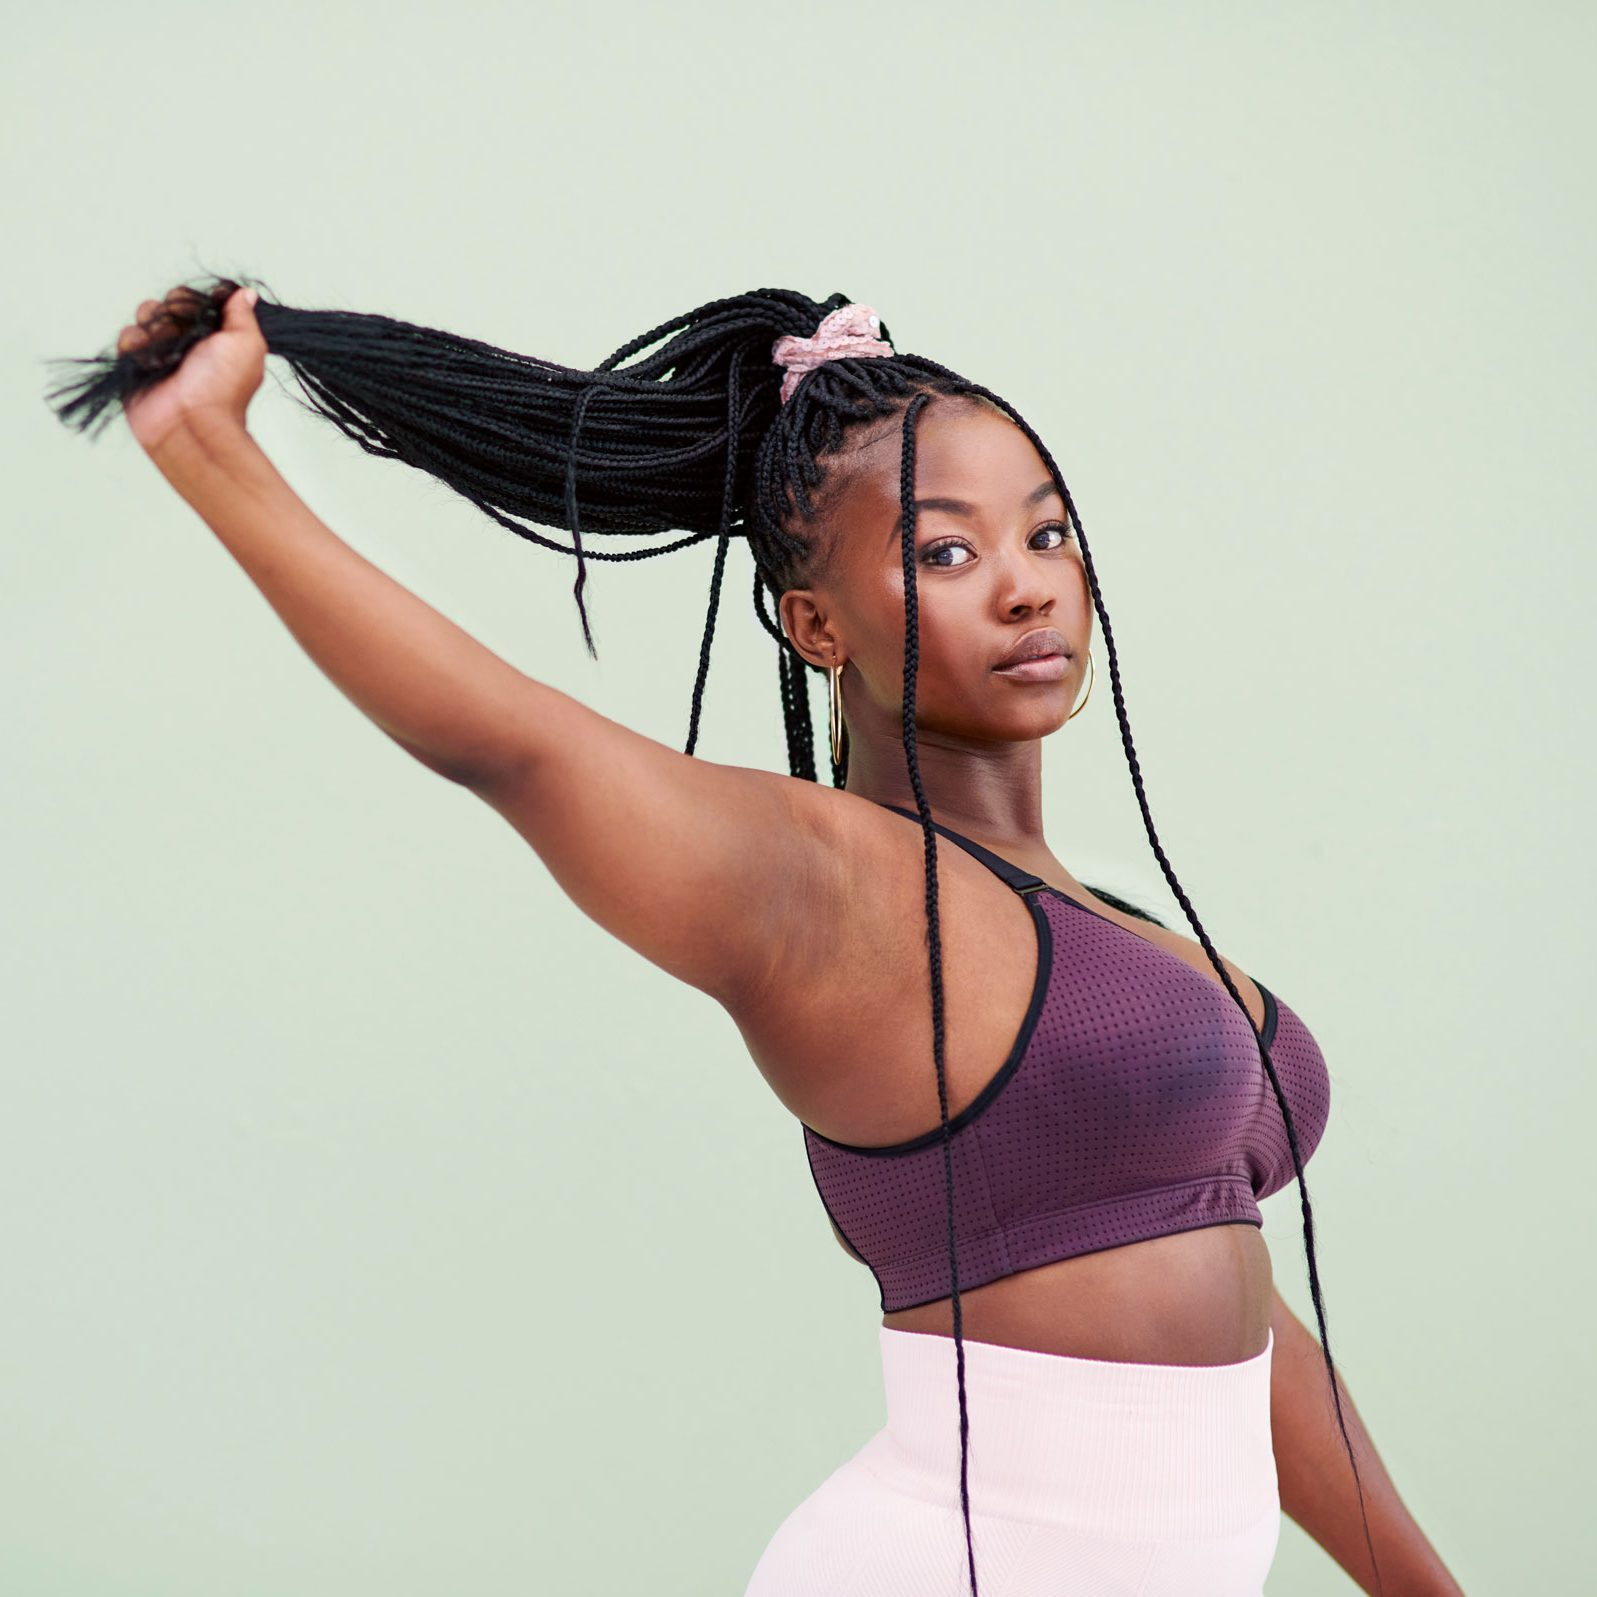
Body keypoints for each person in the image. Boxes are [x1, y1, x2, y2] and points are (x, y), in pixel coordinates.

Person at [47, 281, 1464, 1596]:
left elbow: (1235, 1312)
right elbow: (509, 744)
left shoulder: (1103, 918)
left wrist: (1419, 1581)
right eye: (946, 551)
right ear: (812, 623)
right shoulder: (824, 887)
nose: (1028, 584)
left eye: (1044, 531)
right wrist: (208, 450)